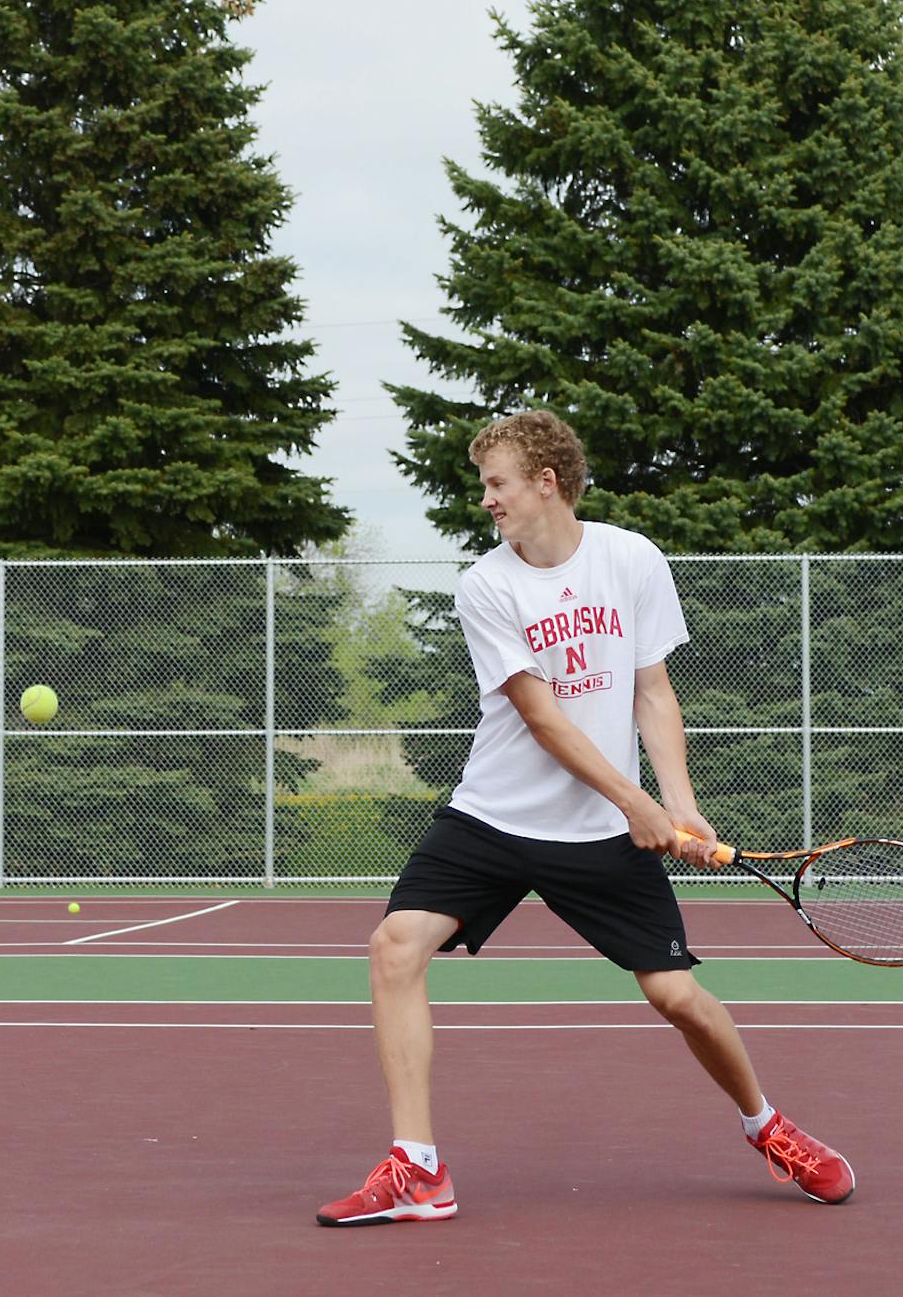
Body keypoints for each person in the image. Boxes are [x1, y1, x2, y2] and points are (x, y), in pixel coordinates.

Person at [317, 410, 853, 1227]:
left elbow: (652, 691)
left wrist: (679, 803)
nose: (487, 500)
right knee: (395, 946)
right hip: (491, 819)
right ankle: (418, 1169)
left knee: (677, 996)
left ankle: (768, 1126)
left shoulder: (630, 559)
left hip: (599, 838)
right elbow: (541, 717)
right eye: (483, 486)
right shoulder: (487, 584)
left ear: (546, 481)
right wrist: (634, 800)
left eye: (496, 483)